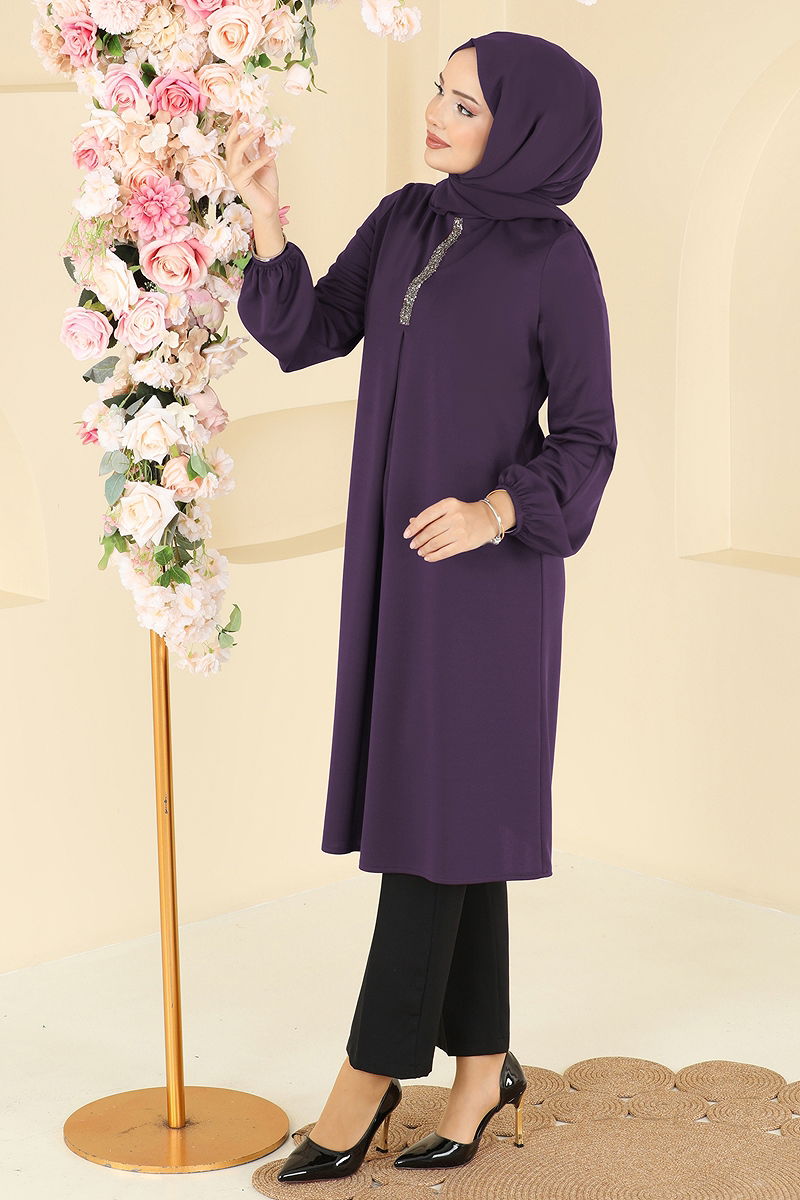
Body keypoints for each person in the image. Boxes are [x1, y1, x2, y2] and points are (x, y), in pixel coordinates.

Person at [228, 29, 617, 1183]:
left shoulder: (555, 258)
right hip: (400, 573)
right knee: (459, 817)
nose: (438, 114)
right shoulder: (407, 217)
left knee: (434, 820)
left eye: (465, 104)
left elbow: (588, 438)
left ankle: (366, 1080)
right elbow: (308, 332)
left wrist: (497, 509)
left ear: (525, 128)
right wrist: (266, 221)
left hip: (488, 582)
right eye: (441, 93)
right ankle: (482, 1067)